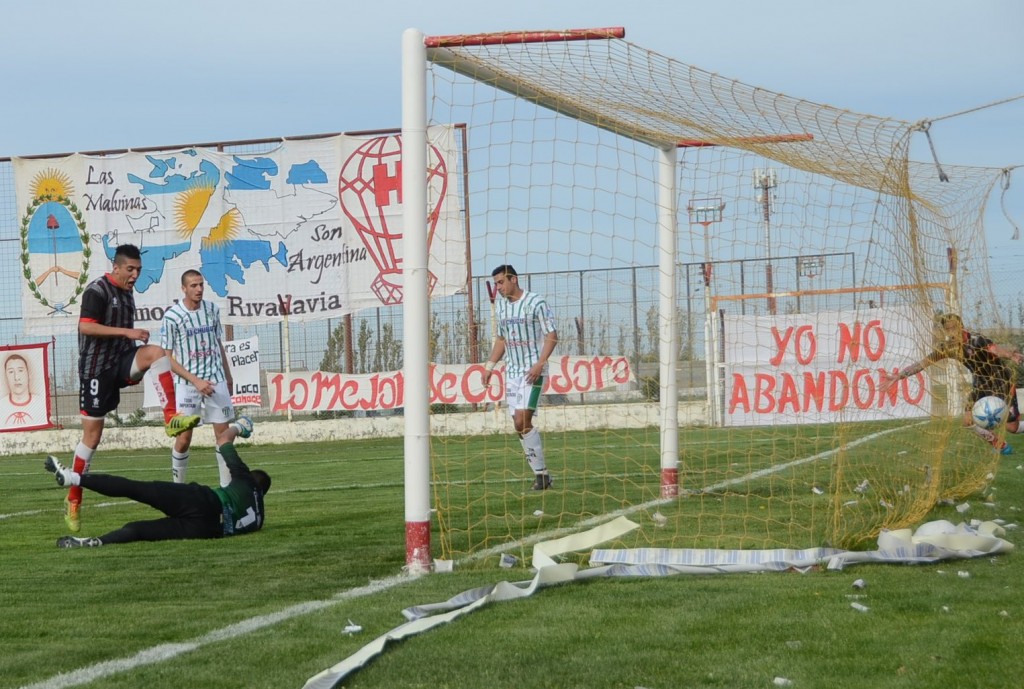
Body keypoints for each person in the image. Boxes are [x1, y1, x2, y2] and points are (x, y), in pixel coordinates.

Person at [63, 243, 201, 534]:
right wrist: (128, 332)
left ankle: (171, 417)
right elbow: (86, 327)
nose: (136, 274)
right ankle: (74, 497)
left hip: (121, 361)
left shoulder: (127, 294)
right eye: (131, 269)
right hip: (95, 371)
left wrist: (130, 342)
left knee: (157, 353)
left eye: (138, 269)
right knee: (92, 437)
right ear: (116, 267)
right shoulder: (97, 291)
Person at [44, 416, 268, 548]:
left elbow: (223, 438)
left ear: (253, 478)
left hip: (205, 502)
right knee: (139, 530)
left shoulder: (245, 478)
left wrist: (241, 425)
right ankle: (95, 542)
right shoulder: (259, 519)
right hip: (206, 529)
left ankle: (74, 477)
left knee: (137, 489)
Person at [880, 312, 1023, 454]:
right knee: (967, 422)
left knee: (1012, 428)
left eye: (954, 327)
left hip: (1001, 381)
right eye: (948, 329)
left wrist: (1010, 355)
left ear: (961, 326)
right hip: (980, 384)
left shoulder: (976, 339)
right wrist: (898, 376)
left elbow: (995, 350)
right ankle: (1000, 445)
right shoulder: (947, 347)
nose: (952, 332)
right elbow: (923, 363)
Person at [482, 264, 559, 490]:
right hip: (512, 374)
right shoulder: (502, 308)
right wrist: (489, 366)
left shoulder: (536, 302)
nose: (498, 288)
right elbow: (501, 340)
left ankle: (541, 475)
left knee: (521, 420)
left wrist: (540, 363)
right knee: (519, 426)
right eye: (495, 284)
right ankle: (542, 475)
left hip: (532, 372)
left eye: (500, 282)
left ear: (513, 279)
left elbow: (552, 335)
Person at [160, 269, 236, 485]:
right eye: (193, 285)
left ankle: (226, 490)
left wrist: (228, 376)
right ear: (183, 288)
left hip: (216, 379)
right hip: (187, 385)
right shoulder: (172, 316)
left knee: (224, 437)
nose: (199, 289)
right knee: (183, 439)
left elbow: (217, 343)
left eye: (201, 284)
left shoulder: (212, 309)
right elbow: (167, 357)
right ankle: (179, 490)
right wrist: (195, 380)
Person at [0, 353, 38, 428]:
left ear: (28, 374)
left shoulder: (39, 402)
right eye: (11, 372)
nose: (16, 377)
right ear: (6, 376)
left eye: (20, 371)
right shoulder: (1, 405)